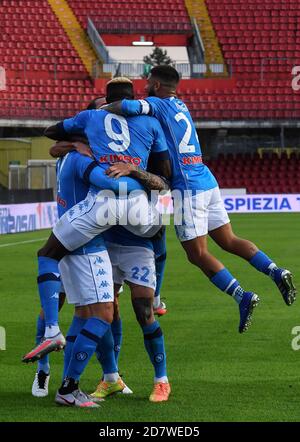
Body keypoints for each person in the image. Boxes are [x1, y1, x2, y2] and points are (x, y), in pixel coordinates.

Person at [102, 65, 296, 333]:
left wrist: (99, 111)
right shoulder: (182, 105)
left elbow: (130, 108)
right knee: (229, 240)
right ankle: (276, 271)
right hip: (206, 179)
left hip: (187, 188)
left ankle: (242, 296)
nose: (145, 87)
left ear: (156, 85)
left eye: (148, 83)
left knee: (197, 254)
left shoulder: (156, 104)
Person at [22, 77, 171, 363]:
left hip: (100, 211)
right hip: (139, 210)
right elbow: (163, 178)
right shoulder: (151, 123)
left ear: (107, 97)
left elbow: (50, 131)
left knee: (49, 255)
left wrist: (77, 140)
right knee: (156, 234)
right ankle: (156, 298)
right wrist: (135, 170)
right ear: (133, 97)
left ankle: (53, 334)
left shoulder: (90, 119)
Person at [92, 223, 171, 402]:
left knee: (144, 311)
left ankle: (162, 380)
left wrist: (157, 292)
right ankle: (111, 377)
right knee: (104, 310)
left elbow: (161, 241)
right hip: (106, 246)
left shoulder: (154, 199)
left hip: (139, 249)